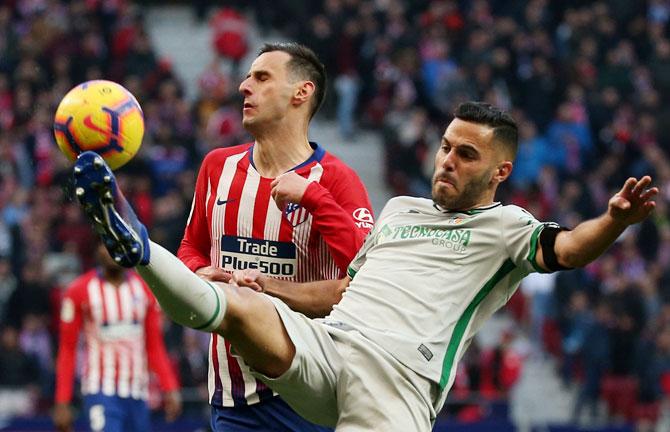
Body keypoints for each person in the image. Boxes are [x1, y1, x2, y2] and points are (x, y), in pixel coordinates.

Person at [71, 101, 658, 430]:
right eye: (447, 145)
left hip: (398, 383)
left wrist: (614, 220)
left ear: (499, 172)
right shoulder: (400, 209)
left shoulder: (507, 229)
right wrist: (269, 286)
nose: (448, 160)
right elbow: (344, 291)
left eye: (467, 154)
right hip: (331, 344)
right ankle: (138, 246)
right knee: (239, 308)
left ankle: (143, 249)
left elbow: (572, 248)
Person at [177, 42, 373, 430]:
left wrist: (314, 197)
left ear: (302, 93)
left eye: (261, 77)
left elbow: (365, 275)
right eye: (248, 76)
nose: (244, 87)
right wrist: (200, 274)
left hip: (308, 395)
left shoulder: (335, 180)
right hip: (232, 397)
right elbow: (191, 248)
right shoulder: (218, 167)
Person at [53, 242, 182, 432]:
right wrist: (62, 401)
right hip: (100, 389)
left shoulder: (144, 290)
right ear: (97, 249)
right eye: (106, 244)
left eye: (120, 244)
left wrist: (170, 387)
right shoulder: (79, 290)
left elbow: (154, 346)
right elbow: (67, 350)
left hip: (138, 392)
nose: (113, 251)